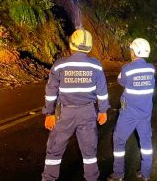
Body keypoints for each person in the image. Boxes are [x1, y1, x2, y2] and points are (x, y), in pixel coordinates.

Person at [41, 29, 110, 181]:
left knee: (54, 151)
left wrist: (49, 113)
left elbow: (51, 91)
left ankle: (49, 178)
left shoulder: (60, 65)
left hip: (64, 114)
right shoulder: (96, 66)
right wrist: (103, 110)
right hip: (88, 113)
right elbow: (102, 91)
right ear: (90, 47)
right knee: (89, 152)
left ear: (71, 45)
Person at [107, 38, 155, 181]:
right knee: (146, 143)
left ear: (134, 52)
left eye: (131, 50)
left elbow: (121, 81)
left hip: (129, 114)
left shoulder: (127, 68)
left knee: (118, 140)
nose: (130, 52)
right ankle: (146, 174)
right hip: (145, 114)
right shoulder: (151, 68)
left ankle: (118, 174)